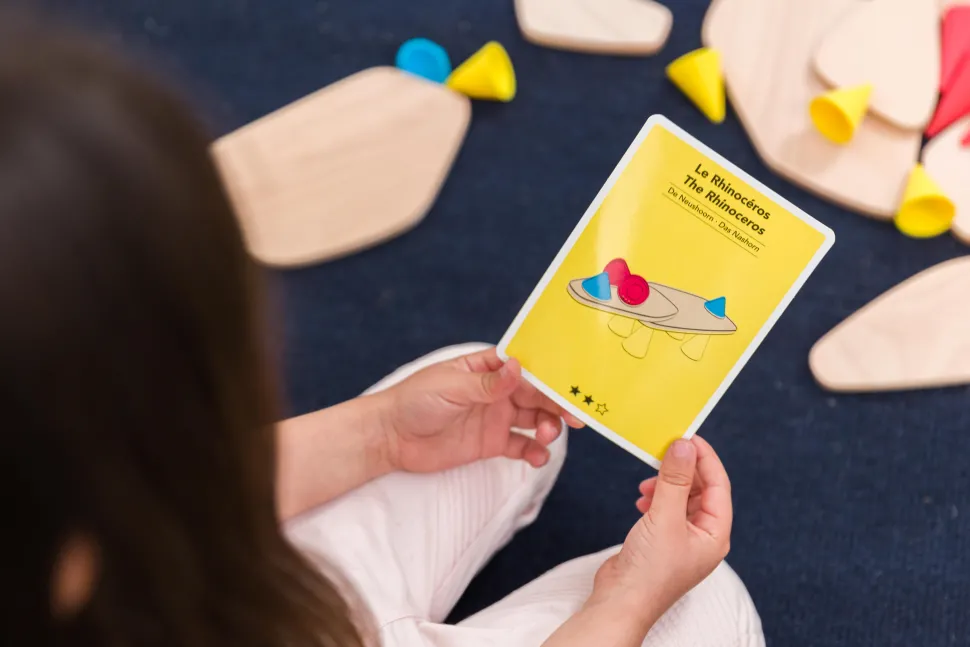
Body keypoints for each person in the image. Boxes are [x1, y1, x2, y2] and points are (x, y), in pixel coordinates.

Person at [0, 11, 764, 647]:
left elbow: (179, 487)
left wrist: (381, 434)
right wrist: (626, 604)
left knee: (494, 395)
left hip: (246, 593)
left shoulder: (66, 508)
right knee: (705, 603)